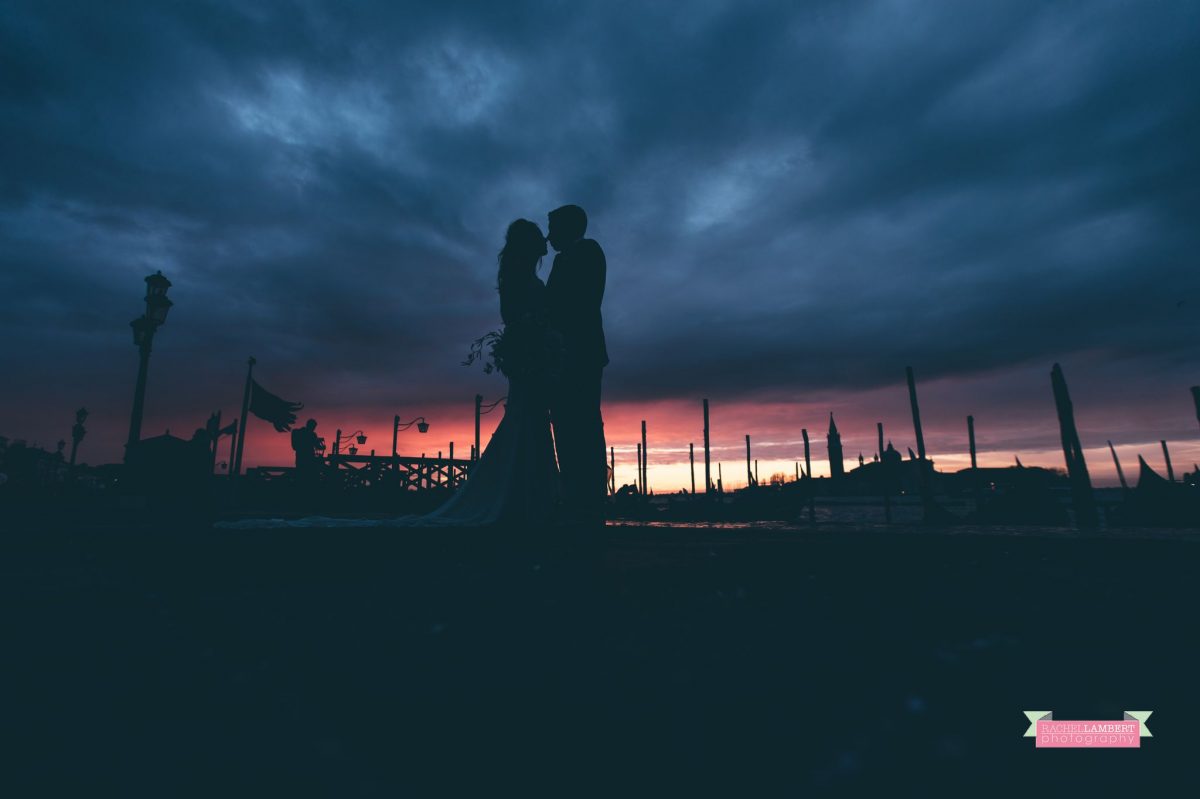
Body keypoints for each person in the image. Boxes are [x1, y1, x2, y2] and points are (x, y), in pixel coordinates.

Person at [218, 220, 560, 529]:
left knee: (528, 424)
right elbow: (517, 319)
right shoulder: (521, 281)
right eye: (539, 239)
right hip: (527, 360)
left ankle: (527, 498)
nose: (546, 241)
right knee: (527, 424)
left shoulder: (521, 279)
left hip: (529, 360)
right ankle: (528, 500)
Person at [545, 204, 608, 527]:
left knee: (584, 422)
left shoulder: (589, 252)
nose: (548, 235)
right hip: (560, 355)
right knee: (565, 425)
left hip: (581, 352)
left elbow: (582, 301)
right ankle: (574, 495)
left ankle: (591, 497)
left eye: (553, 227)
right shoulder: (560, 259)